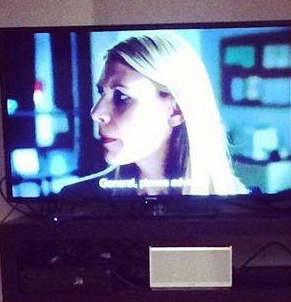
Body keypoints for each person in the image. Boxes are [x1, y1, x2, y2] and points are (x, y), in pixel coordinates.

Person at [89, 31, 247, 196]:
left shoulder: (242, 207)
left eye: (122, 96)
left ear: (175, 110)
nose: (96, 113)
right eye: (101, 93)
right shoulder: (79, 202)